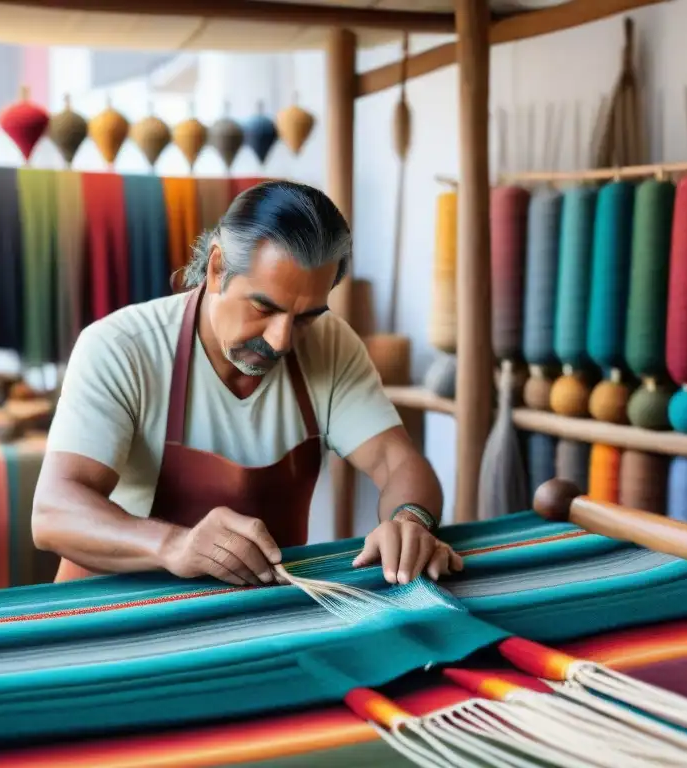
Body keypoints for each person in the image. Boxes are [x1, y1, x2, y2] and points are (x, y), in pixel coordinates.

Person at [32, 180, 463, 588]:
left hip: (258, 614)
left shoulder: (331, 346)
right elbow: (54, 512)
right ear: (218, 268)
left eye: (306, 317)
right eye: (263, 307)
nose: (281, 340)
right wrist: (174, 545)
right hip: (117, 615)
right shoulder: (120, 348)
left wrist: (410, 523)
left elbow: (398, 462)